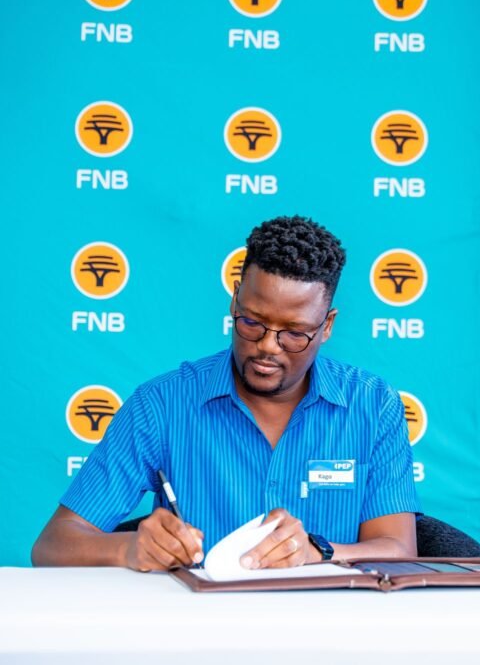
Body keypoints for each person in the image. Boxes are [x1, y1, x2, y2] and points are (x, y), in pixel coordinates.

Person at [33, 216, 419, 571]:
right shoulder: (162, 405)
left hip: (329, 620)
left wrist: (317, 552)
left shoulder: (372, 406)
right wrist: (128, 548)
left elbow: (399, 551)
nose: (267, 346)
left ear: (327, 326)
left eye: (294, 333)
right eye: (251, 322)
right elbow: (52, 545)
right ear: (235, 300)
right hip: (196, 620)